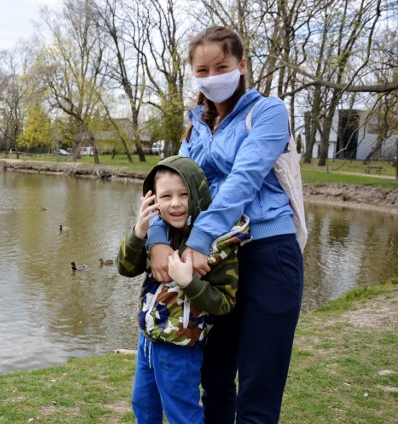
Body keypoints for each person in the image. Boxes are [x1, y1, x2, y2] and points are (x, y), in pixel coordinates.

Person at [146, 26, 304, 423]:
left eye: (222, 66)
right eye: (203, 70)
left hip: (269, 255)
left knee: (258, 387)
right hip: (216, 262)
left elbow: (243, 181)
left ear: (242, 65)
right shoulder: (195, 126)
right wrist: (157, 240)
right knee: (214, 380)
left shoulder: (267, 112)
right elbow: (169, 187)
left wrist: (198, 239)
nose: (212, 76)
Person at [117, 156, 249, 424]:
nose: (175, 203)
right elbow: (126, 268)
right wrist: (138, 233)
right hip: (148, 342)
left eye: (183, 194)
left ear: (198, 195)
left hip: (180, 349)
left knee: (182, 415)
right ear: (153, 200)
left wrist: (189, 282)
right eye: (166, 196)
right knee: (143, 405)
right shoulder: (159, 236)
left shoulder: (216, 244)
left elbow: (224, 302)